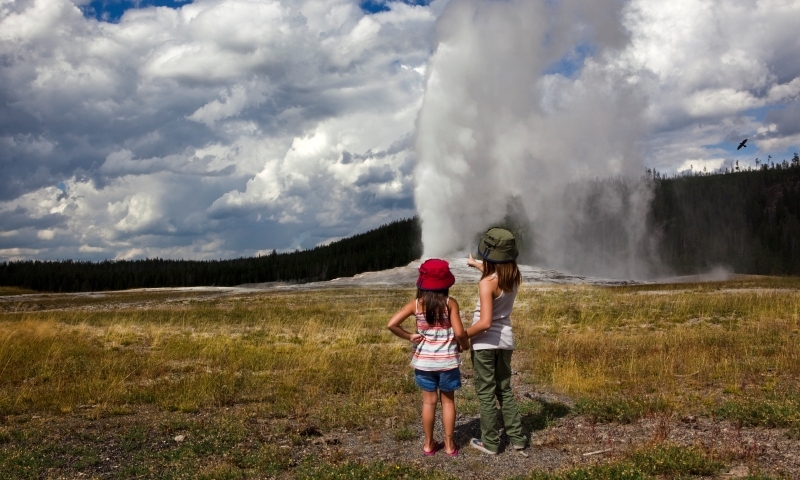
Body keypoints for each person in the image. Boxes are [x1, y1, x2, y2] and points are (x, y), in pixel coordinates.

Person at [387, 259, 469, 457]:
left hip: (424, 363)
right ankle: (449, 445)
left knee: (429, 403)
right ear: (446, 284)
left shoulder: (416, 304)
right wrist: (464, 346)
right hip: (448, 362)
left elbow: (392, 324)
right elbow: (459, 333)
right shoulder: (451, 304)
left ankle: (428, 444)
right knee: (448, 402)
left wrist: (408, 336)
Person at [466, 227, 527, 455]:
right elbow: (494, 274)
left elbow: (484, 323)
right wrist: (476, 266)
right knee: (504, 389)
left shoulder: (486, 283)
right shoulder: (513, 276)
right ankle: (518, 437)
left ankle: (490, 442)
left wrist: (461, 334)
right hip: (505, 343)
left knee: (486, 392)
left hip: (484, 344)